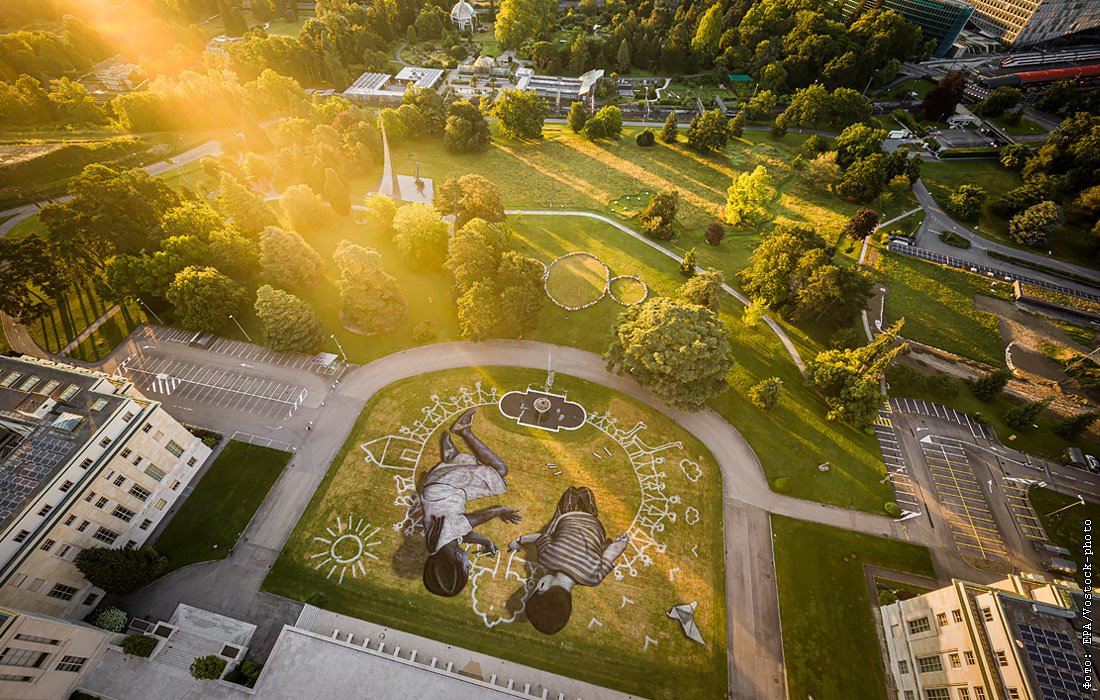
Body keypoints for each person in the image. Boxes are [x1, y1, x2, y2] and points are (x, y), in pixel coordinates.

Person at [420, 407, 522, 597]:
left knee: (500, 471)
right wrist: (484, 541)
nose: (470, 564)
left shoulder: (451, 533)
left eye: (467, 566)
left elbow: (477, 518)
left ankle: (463, 430)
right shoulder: (436, 547)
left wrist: (500, 510)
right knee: (483, 482)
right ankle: (452, 457)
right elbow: (462, 535)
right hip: (440, 489)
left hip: (444, 484)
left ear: (458, 558)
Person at [508, 486, 629, 634]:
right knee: (550, 532)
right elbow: (540, 537)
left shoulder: (593, 578)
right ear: (542, 585)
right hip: (568, 519)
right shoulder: (546, 557)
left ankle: (590, 512)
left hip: (595, 527)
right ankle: (571, 502)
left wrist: (621, 544)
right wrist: (519, 541)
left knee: (591, 538)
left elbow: (611, 552)